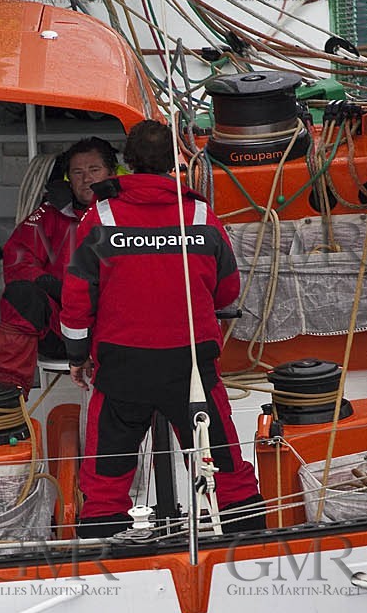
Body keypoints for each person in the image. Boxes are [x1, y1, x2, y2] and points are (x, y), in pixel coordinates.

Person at [59, 120, 265, 536]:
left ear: (127, 163)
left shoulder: (101, 216)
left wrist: (77, 356)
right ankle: (246, 531)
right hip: (191, 364)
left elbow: (77, 295)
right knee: (221, 458)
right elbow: (228, 288)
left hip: (122, 363)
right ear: (175, 162)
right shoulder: (201, 214)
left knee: (107, 469)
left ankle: (103, 536)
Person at [0, 137, 118, 390]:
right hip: (64, 329)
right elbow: (18, 258)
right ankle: (9, 395)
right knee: (21, 294)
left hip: (122, 328)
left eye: (94, 169)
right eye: (78, 172)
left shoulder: (129, 211)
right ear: (69, 178)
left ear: (111, 173)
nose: (86, 178)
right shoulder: (50, 215)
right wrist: (50, 284)